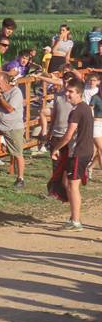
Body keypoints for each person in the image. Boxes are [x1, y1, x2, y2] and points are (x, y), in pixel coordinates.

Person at [49, 78, 94, 231]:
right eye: (67, 91)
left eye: (71, 92)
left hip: (78, 152)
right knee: (70, 185)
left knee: (73, 186)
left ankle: (76, 221)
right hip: (84, 151)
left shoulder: (76, 111)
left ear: (79, 93)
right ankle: (74, 218)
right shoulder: (86, 108)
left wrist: (56, 148)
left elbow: (68, 136)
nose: (67, 94)